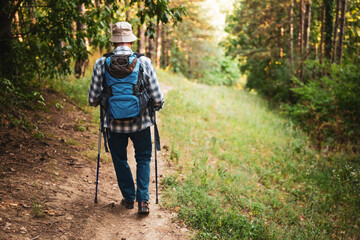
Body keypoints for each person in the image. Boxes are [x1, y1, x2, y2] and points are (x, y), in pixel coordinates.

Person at [88, 22, 164, 215]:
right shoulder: (144, 62)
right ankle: (143, 202)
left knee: (120, 159)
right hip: (141, 122)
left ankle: (129, 198)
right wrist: (157, 105)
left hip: (113, 125)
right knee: (143, 158)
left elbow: (92, 99)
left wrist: (107, 101)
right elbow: (157, 97)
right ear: (131, 40)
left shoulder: (100, 63)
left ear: (113, 41)